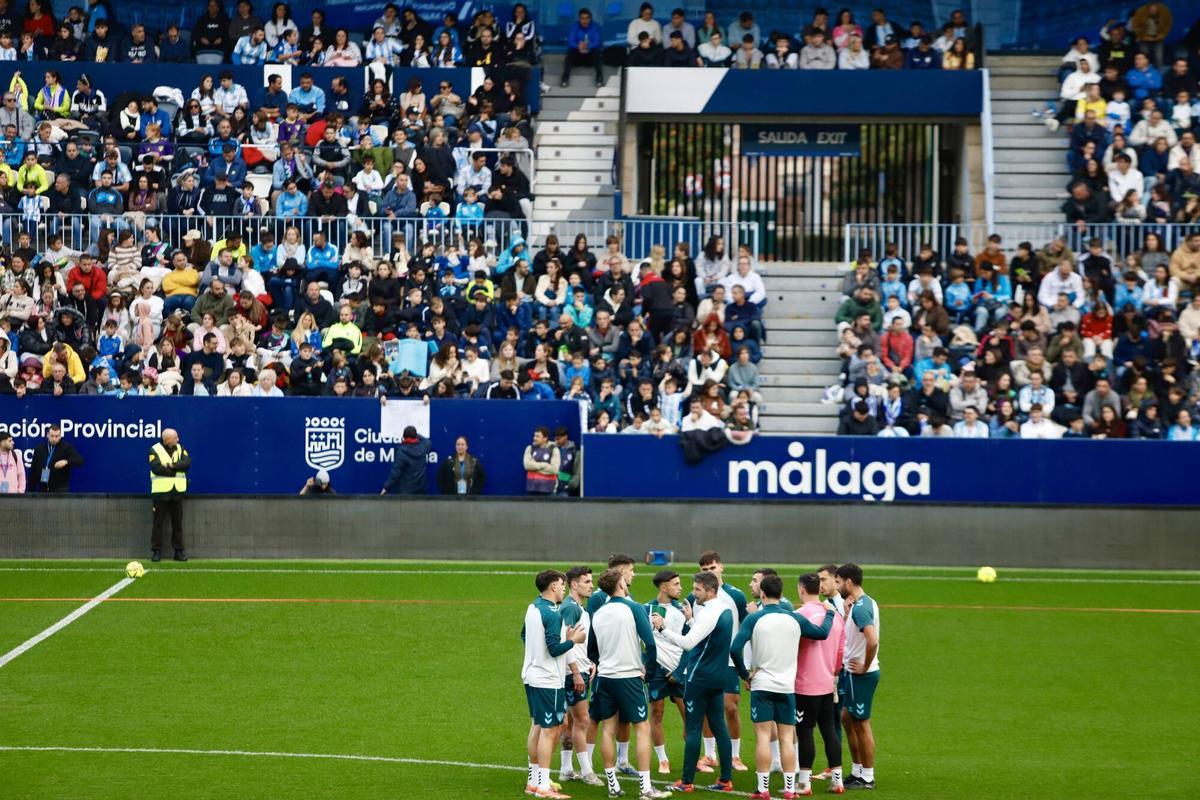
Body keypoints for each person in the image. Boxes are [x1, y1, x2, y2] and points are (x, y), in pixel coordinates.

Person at [730, 572, 835, 800]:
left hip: (762, 686)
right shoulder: (793, 618)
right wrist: (829, 614)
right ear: (781, 594)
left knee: (763, 737)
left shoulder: (754, 618)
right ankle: (790, 789)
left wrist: (744, 675)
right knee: (787, 738)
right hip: (787, 687)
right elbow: (821, 633)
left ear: (763, 594)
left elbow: (735, 648)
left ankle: (763, 789)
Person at [586, 567, 670, 800]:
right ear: (621, 585)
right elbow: (650, 643)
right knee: (642, 728)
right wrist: (648, 671)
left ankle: (612, 785)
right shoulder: (633, 608)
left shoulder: (599, 613)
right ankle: (645, 788)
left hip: (605, 678)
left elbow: (591, 650)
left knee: (608, 729)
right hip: (629, 677)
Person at [650, 570, 735, 793]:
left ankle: (686, 782)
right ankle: (726, 780)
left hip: (699, 678)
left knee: (694, 727)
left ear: (711, 591)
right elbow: (709, 635)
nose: (693, 593)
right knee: (719, 727)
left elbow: (688, 643)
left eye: (698, 589)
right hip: (718, 677)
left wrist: (662, 628)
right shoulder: (723, 609)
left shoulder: (708, 613)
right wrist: (691, 620)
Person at [521, 568, 588, 800]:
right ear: (553, 586)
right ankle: (543, 786)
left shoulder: (533, 608)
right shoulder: (552, 614)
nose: (563, 589)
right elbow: (554, 649)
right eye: (562, 585)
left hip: (532, 676)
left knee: (539, 726)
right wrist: (572, 641)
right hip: (548, 680)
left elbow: (524, 636)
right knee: (549, 731)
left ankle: (533, 782)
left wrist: (537, 654)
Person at [696, 550, 749, 773]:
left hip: (729, 661)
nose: (710, 572)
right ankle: (710, 755)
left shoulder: (736, 596)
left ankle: (735, 755)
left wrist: (747, 666)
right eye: (705, 569)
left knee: (731, 707)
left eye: (713, 567)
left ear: (721, 567)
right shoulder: (695, 596)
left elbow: (747, 631)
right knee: (706, 708)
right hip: (705, 661)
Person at [794, 571, 846, 794]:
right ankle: (838, 781)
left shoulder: (798, 615)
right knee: (829, 730)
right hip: (827, 683)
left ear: (802, 589)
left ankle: (804, 782)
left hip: (804, 685)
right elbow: (841, 652)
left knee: (805, 731)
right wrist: (832, 674)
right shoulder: (836, 617)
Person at [557, 566, 604, 787]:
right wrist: (576, 672)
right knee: (582, 720)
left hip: (580, 670)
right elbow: (565, 641)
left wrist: (590, 662)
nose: (591, 586)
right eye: (587, 582)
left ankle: (566, 769)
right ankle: (587, 771)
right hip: (572, 674)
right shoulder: (570, 609)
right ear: (574, 585)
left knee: (570, 723)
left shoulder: (578, 608)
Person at [836, 564, 880, 791]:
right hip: (851, 673)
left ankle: (867, 777)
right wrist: (846, 613)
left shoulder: (862, 608)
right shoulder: (861, 604)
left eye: (838, 582)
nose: (837, 587)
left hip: (860, 675)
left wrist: (865, 665)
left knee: (861, 724)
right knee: (846, 717)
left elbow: (872, 640)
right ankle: (856, 771)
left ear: (849, 582)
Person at [643, 569, 690, 775]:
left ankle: (691, 759)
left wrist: (679, 671)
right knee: (657, 713)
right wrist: (646, 665)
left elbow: (690, 644)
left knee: (689, 716)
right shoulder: (646, 609)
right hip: (656, 670)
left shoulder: (683, 611)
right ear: (664, 587)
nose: (680, 588)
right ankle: (663, 760)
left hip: (680, 669)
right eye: (676, 584)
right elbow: (641, 641)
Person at [149, 427, 191, 563]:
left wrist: (171, 465)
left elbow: (187, 463)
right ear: (167, 440)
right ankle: (156, 552)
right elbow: (156, 468)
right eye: (175, 437)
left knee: (177, 524)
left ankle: (179, 552)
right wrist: (175, 472)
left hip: (177, 492)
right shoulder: (154, 449)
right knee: (158, 524)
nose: (178, 439)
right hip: (160, 493)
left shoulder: (180, 448)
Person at [28, 423, 83, 493]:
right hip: (43, 490)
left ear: (60, 436)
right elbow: (33, 471)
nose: (54, 439)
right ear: (47, 435)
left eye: (57, 436)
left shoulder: (66, 448)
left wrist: (66, 461)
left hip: (60, 490)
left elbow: (79, 460)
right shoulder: (39, 449)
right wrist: (30, 492)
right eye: (52, 436)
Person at [380, 425, 431, 495]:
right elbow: (427, 441)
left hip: (406, 491)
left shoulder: (401, 452)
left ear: (404, 437)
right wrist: (415, 435)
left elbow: (395, 473)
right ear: (415, 436)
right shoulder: (423, 447)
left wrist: (386, 488)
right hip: (421, 489)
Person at [523, 426, 559, 495]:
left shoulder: (554, 449)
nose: (534, 438)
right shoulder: (529, 448)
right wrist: (545, 465)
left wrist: (534, 466)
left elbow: (554, 469)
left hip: (548, 490)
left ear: (545, 438)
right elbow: (527, 465)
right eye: (534, 436)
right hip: (532, 489)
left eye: (537, 436)